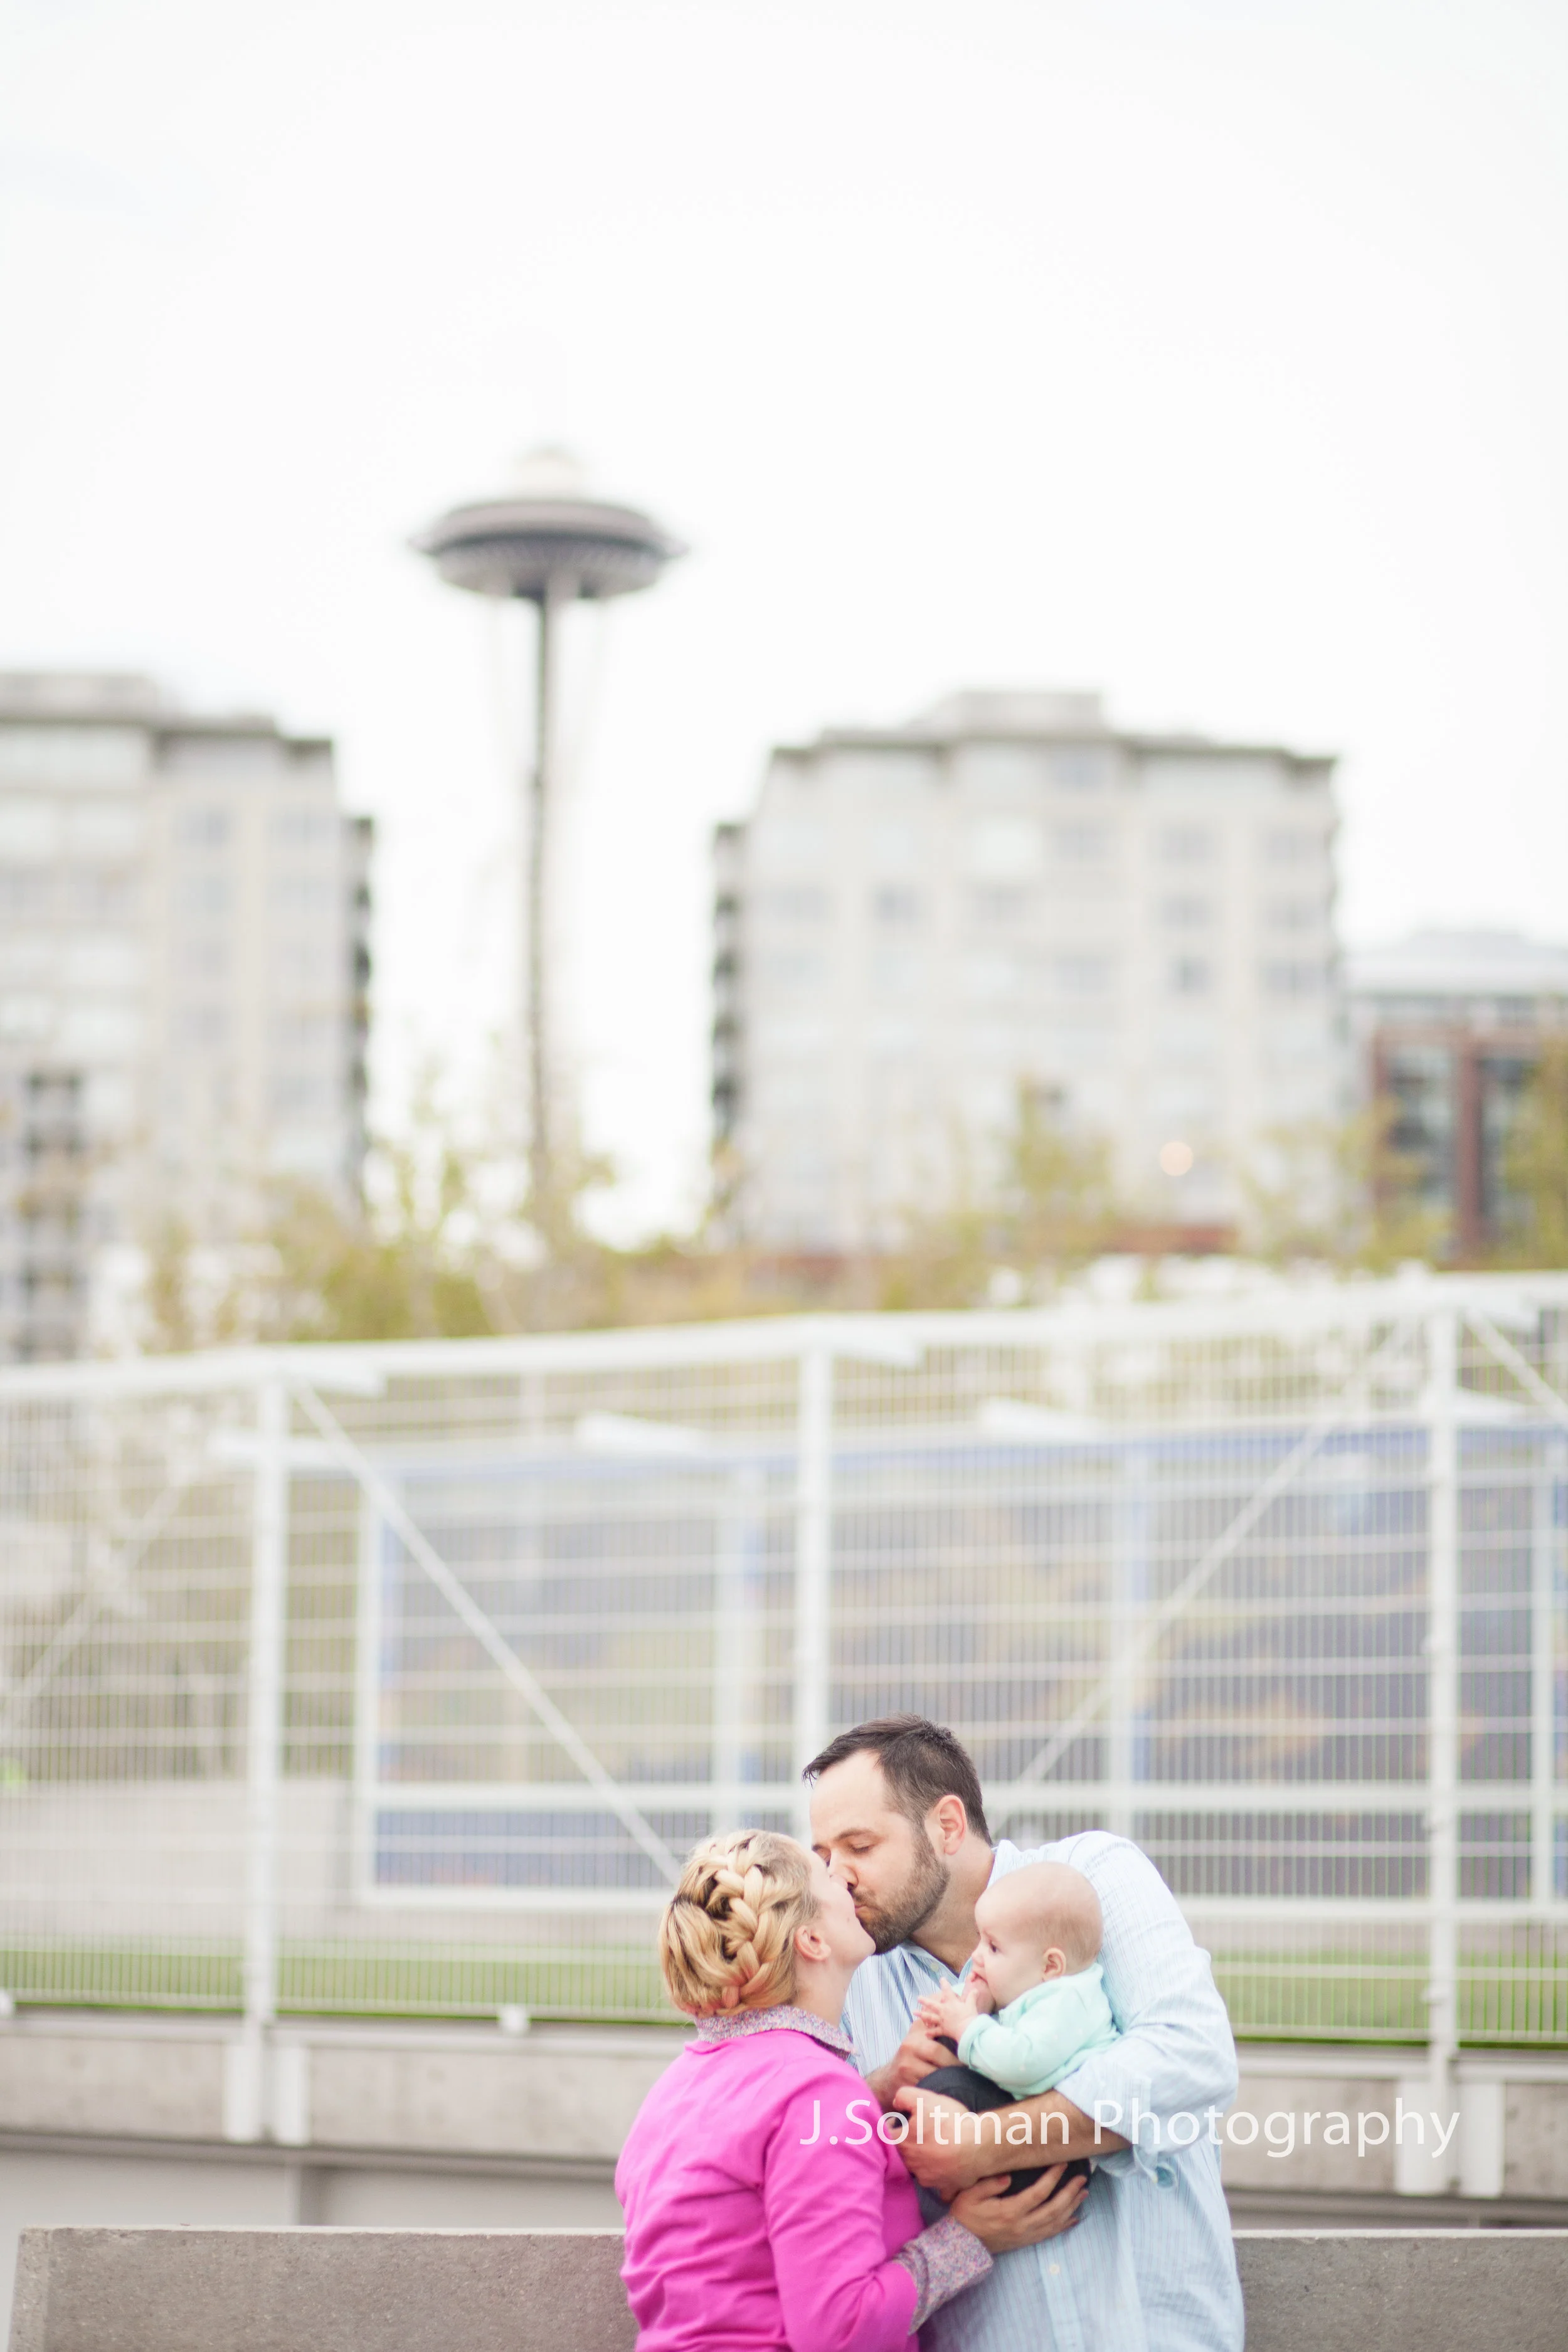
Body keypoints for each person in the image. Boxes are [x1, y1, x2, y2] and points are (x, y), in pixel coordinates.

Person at [807, 1717, 1244, 2352]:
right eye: (824, 1857)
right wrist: (881, 2088)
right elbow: (815, 2165)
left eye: (860, 1846)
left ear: (947, 1826)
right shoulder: (848, 1978)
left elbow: (1191, 2058)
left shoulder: (1091, 1878)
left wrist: (986, 2145)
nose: (837, 1878)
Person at [615, 1827, 1088, 2352]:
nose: (845, 1877)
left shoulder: (674, 2089)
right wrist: (969, 2237)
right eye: (825, 1872)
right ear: (813, 1941)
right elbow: (841, 2331)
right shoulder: (815, 2093)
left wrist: (879, 2094)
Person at [914, 1860, 1120, 2196]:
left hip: (1058, 2157)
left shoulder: (1069, 2002)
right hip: (1032, 2135)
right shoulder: (1047, 1992)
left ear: (1051, 1965)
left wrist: (967, 2026)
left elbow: (1022, 2063)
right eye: (980, 1941)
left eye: (993, 1947)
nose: (977, 1956)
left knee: (946, 2089)